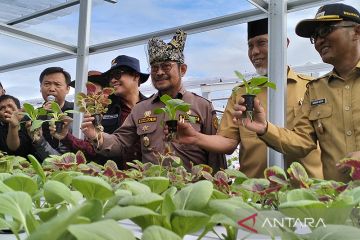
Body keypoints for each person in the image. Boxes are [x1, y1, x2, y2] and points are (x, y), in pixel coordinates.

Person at [171, 19, 323, 179]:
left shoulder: (311, 88)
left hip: (305, 191)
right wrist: (196, 137)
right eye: (250, 46)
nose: (254, 52)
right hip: (255, 190)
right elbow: (228, 141)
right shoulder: (241, 93)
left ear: (283, 43)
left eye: (261, 43)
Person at [232, 3, 360, 182]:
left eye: (325, 31)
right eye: (315, 36)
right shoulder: (316, 89)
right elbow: (302, 142)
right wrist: (264, 129)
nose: (319, 40)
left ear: (357, 32)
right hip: (337, 202)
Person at [81, 30, 226, 172]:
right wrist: (96, 135)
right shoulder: (141, 109)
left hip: (191, 191)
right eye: (155, 67)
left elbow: (216, 156)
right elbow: (119, 143)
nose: (159, 72)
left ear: (182, 69)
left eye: (166, 66)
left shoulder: (202, 106)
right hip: (153, 189)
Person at [52, 57, 148, 167]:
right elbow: (93, 149)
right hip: (113, 174)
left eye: (117, 74)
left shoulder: (152, 107)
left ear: (136, 76)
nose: (113, 80)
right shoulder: (101, 113)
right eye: (111, 77)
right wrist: (66, 137)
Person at [0, 95, 56, 160]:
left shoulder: (32, 121)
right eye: (2, 108)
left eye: (10, 106)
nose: (7, 109)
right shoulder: (2, 129)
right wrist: (13, 126)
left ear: (19, 109)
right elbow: (13, 148)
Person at [38, 67, 74, 154]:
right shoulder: (35, 115)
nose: (52, 89)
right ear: (40, 87)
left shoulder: (76, 111)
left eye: (57, 84)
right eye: (47, 84)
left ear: (67, 89)